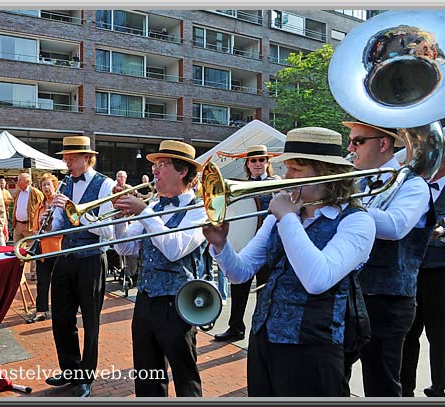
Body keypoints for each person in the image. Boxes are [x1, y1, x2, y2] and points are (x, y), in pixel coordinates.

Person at [204, 127, 376, 396]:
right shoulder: (280, 217)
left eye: (296, 169)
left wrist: (287, 218)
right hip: (265, 339)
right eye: (287, 168)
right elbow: (240, 273)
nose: (286, 177)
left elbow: (318, 279)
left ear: (327, 173)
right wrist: (220, 245)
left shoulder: (357, 221)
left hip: (314, 346)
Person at [342, 121, 434, 397]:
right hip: (349, 294)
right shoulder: (356, 182)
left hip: (388, 299)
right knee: (333, 373)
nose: (349, 148)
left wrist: (347, 203)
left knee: (381, 383)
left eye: (357, 141)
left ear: (383, 144)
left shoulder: (413, 185)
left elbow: (395, 227)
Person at [112, 140, 207, 397]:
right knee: (147, 375)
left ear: (182, 171)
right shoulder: (153, 207)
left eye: (162, 165)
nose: (155, 171)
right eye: (155, 165)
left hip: (178, 303)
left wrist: (144, 213)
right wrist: (120, 220)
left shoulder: (199, 209)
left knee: (185, 376)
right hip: (145, 300)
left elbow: (174, 249)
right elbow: (125, 248)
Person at [44, 136, 115, 398]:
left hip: (91, 259)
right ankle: (70, 369)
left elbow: (107, 231)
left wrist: (76, 211)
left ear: (87, 158)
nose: (67, 162)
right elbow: (61, 229)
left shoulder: (104, 185)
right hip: (67, 257)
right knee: (61, 318)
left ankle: (86, 376)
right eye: (66, 157)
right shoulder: (65, 184)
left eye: (72, 158)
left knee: (91, 322)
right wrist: (51, 220)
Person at [400, 129, 445, 397]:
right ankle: (404, 387)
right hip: (409, 268)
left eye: (435, 158)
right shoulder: (413, 186)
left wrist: (444, 232)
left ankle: (440, 386)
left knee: (439, 333)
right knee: (408, 331)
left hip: (441, 271)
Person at [214, 145, 277, 342]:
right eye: (253, 160)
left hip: (268, 246)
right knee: (238, 286)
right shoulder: (240, 185)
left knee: (265, 291)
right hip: (245, 244)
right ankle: (236, 327)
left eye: (261, 160)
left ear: (268, 163)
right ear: (247, 165)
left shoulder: (277, 184)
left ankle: (261, 331)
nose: (258, 163)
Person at [26, 173, 61, 324]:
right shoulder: (39, 205)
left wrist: (49, 230)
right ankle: (41, 310)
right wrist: (36, 230)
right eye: (43, 185)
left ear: (55, 186)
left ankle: (59, 309)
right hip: (42, 249)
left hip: (56, 248)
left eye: (49, 184)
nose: (46, 188)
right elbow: (35, 227)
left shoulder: (59, 204)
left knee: (59, 282)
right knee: (42, 281)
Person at [12, 173, 44, 278]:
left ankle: (33, 272)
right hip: (18, 225)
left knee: (32, 250)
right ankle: (17, 272)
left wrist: (37, 225)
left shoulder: (36, 193)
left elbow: (42, 208)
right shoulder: (17, 192)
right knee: (17, 249)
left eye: (20, 180)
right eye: (18, 180)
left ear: (28, 182)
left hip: (29, 226)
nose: (18, 182)